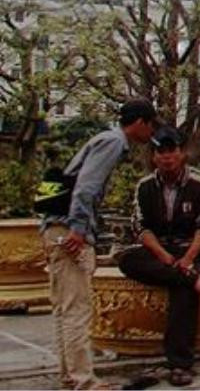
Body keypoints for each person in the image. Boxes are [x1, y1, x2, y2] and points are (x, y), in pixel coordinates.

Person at [41, 98, 158, 391]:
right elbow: (87, 187)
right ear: (141, 122)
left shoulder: (103, 138)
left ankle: (71, 376)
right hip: (69, 230)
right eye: (151, 125)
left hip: (54, 227)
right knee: (77, 308)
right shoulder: (114, 142)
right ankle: (84, 381)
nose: (151, 133)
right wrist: (79, 229)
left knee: (65, 309)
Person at [117, 125, 200, 388]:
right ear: (154, 157)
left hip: (188, 247)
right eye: (161, 152)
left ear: (181, 153)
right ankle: (192, 278)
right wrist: (166, 259)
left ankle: (180, 365)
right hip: (159, 250)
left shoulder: (198, 182)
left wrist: (188, 258)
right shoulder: (145, 186)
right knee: (127, 260)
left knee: (183, 294)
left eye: (172, 151)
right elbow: (140, 227)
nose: (167, 157)